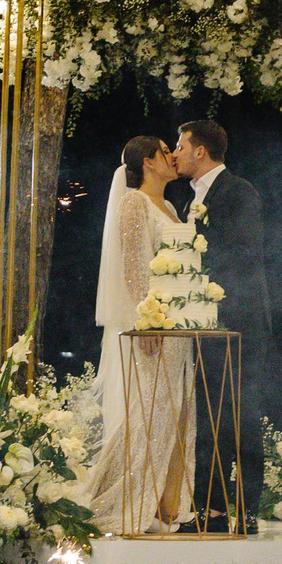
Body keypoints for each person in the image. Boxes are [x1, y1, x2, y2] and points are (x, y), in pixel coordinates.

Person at [80, 135, 195, 534]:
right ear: (148, 161)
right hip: (152, 328)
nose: (173, 157)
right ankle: (125, 502)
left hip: (178, 330)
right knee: (147, 412)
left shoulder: (169, 206)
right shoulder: (135, 203)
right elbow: (134, 268)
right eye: (166, 151)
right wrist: (146, 322)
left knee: (173, 413)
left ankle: (163, 504)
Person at [168, 119, 276, 531]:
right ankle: (210, 510)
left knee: (243, 416)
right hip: (206, 326)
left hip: (241, 323)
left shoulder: (239, 192)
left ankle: (246, 509)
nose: (174, 154)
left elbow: (243, 258)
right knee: (208, 416)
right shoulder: (189, 201)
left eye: (180, 146)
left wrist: (195, 272)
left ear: (201, 151)